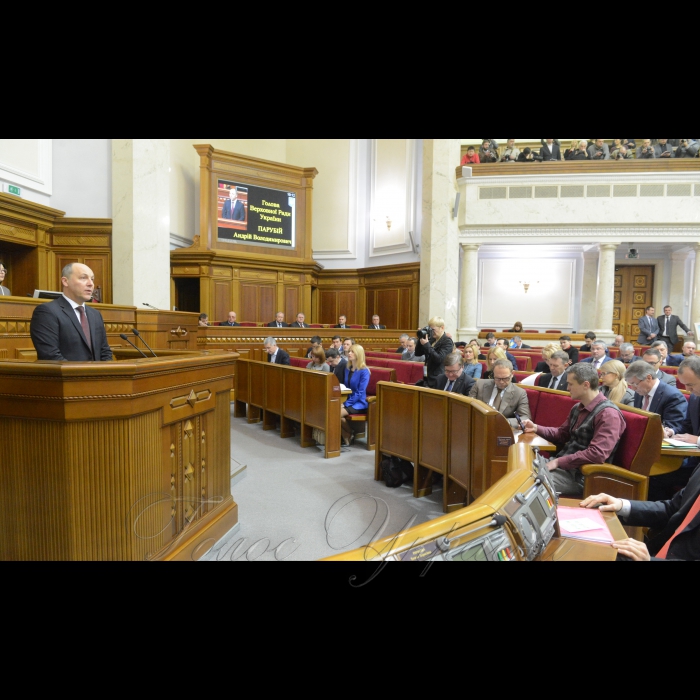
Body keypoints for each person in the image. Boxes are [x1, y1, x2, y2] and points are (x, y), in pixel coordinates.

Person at [521, 363, 627, 498]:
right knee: (518, 467)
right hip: (564, 469)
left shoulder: (608, 414)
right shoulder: (578, 407)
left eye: (571, 384)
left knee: (525, 483)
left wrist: (559, 462)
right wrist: (536, 428)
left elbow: (597, 454)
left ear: (586, 385)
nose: (567, 388)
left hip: (582, 476)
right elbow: (561, 434)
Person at [30, 262, 113, 362]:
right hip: (66, 376)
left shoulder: (95, 314)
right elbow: (50, 355)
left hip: (96, 376)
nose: (90, 284)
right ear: (65, 281)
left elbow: (105, 352)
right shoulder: (47, 312)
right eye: (83, 278)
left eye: (92, 279)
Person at [656, 356, 700, 502]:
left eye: (691, 384)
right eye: (685, 384)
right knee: (654, 474)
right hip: (692, 459)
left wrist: (698, 439)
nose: (687, 389)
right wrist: (671, 431)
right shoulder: (694, 397)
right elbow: (687, 425)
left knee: (659, 479)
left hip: (695, 464)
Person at [625, 360, 686, 434]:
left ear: (648, 378)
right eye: (631, 384)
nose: (633, 388)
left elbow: (672, 427)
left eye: (635, 384)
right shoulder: (640, 392)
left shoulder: (673, 396)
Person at [469, 359, 531, 429]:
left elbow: (525, 417)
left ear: (512, 374)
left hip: (501, 429)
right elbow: (468, 408)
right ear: (493, 374)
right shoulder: (479, 385)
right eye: (497, 378)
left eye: (505, 379)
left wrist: (504, 422)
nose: (501, 382)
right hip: (477, 425)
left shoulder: (520, 393)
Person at [341, 345, 371, 446]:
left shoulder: (364, 371)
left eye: (352, 352)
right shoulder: (347, 368)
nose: (349, 353)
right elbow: (346, 387)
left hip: (359, 403)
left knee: (335, 413)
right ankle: (347, 432)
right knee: (331, 410)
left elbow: (360, 392)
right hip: (348, 400)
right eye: (349, 351)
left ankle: (349, 432)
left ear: (359, 354)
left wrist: (345, 404)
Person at [414, 316, 454, 389]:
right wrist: (421, 338)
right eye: (430, 329)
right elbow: (418, 353)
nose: (431, 332)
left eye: (433, 329)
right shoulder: (431, 340)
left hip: (438, 379)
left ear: (442, 328)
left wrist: (427, 345)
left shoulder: (447, 341)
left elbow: (439, 359)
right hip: (427, 377)